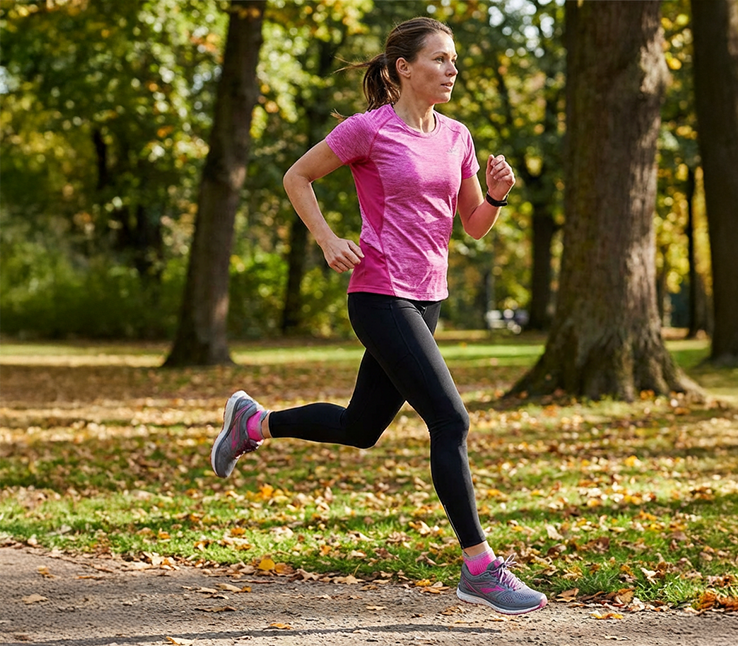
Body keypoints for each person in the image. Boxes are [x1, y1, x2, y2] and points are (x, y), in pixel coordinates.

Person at [210, 16, 547, 615]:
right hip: (380, 292)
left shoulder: (457, 136)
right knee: (450, 420)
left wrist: (496, 194)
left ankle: (254, 424)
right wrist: (326, 238)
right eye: (440, 59)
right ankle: (480, 566)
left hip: (428, 297)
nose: (452, 69)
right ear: (403, 69)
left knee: (361, 427)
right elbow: (298, 177)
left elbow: (471, 226)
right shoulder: (369, 130)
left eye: (453, 60)